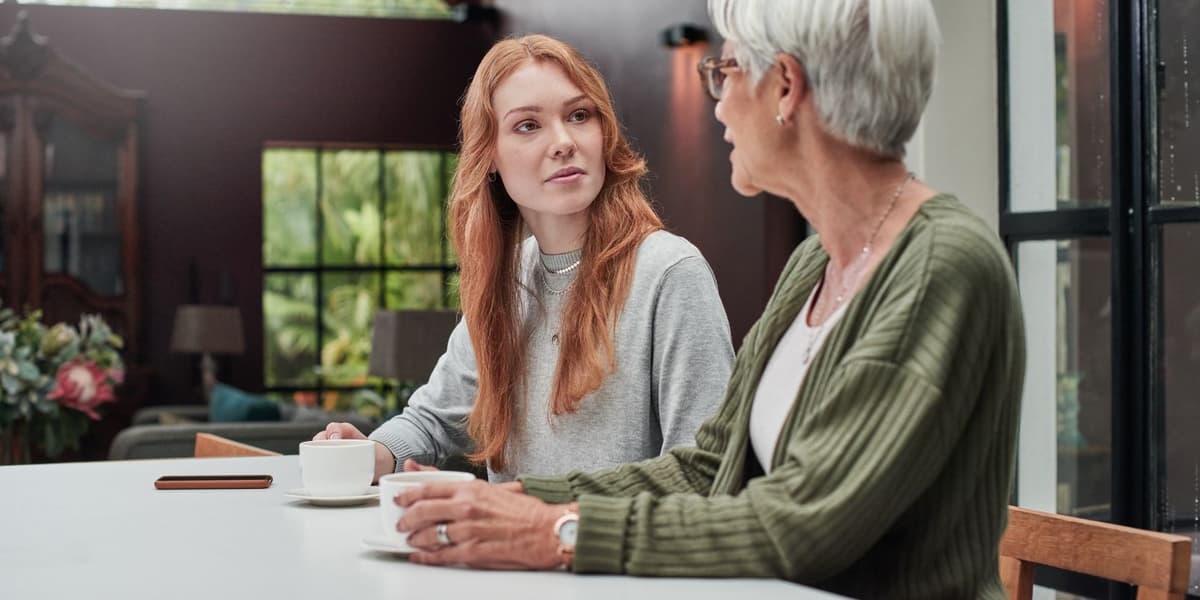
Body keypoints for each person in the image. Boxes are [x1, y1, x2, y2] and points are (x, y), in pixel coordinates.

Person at [389, 1, 1026, 598]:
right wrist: (524, 497)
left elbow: (800, 525)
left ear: (785, 87)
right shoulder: (817, 262)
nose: (717, 104)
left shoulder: (941, 267)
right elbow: (710, 466)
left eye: (726, 70)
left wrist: (552, 531)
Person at [315, 34, 734, 483]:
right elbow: (434, 419)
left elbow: (702, 473)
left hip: (607, 551)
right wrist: (373, 451)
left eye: (579, 116)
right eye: (528, 125)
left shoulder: (669, 272)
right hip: (500, 554)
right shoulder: (510, 278)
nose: (563, 142)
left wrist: (548, 522)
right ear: (489, 155)